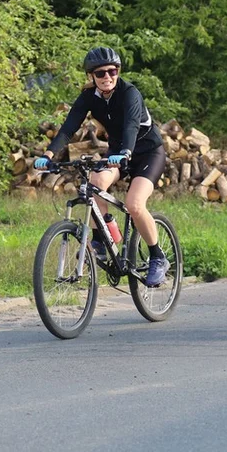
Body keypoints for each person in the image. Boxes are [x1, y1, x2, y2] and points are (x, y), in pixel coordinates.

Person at [33, 47, 170, 286]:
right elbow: (68, 128)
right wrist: (48, 154)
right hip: (118, 152)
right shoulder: (88, 97)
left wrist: (126, 151)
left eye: (112, 71)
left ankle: (158, 257)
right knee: (93, 185)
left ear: (118, 72)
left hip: (147, 152)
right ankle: (102, 240)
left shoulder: (130, 94)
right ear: (91, 76)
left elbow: (130, 127)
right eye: (100, 73)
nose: (107, 77)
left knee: (134, 204)